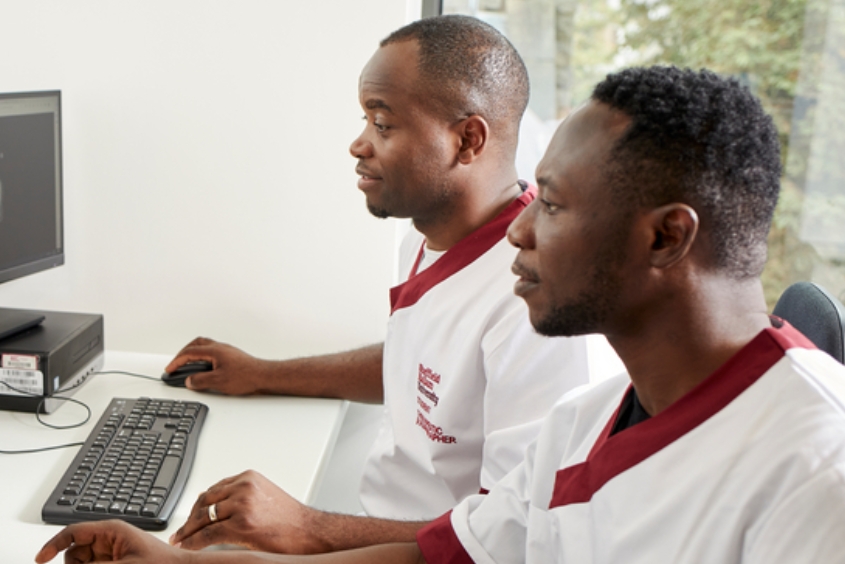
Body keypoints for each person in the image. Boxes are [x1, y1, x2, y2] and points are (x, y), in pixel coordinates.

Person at [36, 65, 845, 563]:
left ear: (666, 236)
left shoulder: (815, 479)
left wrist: (311, 526)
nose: (521, 228)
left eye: (553, 206)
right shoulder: (587, 422)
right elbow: (451, 550)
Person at [162, 15, 595, 554]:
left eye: (382, 124)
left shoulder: (534, 304)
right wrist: (262, 373)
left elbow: (513, 540)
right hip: (377, 524)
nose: (358, 144)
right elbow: (418, 367)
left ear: (467, 140)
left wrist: (308, 529)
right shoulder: (426, 235)